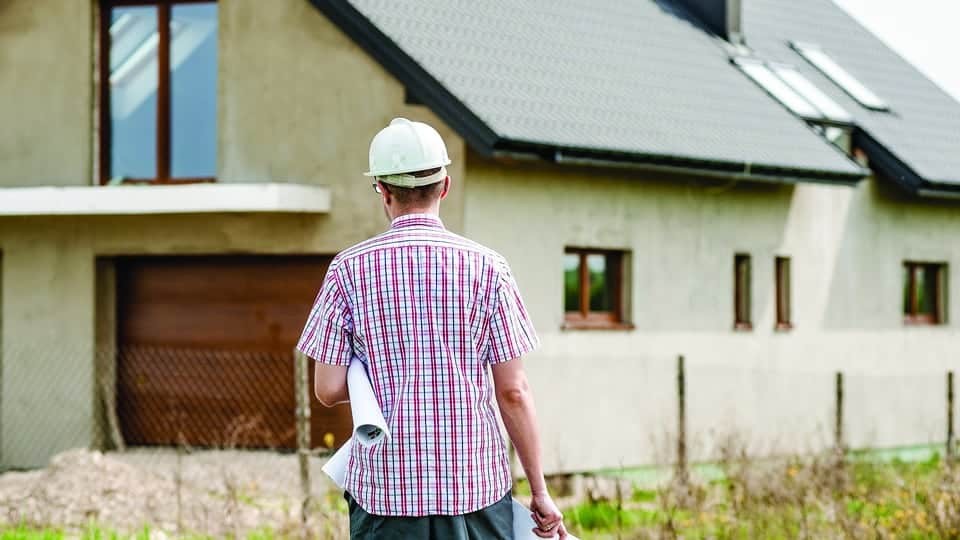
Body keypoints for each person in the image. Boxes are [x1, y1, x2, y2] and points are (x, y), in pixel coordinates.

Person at [297, 117, 568, 539]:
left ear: (383, 191)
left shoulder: (347, 270)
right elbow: (513, 392)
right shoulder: (488, 269)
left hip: (386, 494)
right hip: (475, 488)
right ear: (445, 186)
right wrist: (539, 490)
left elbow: (327, 389)